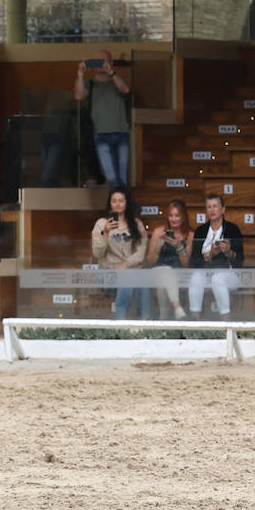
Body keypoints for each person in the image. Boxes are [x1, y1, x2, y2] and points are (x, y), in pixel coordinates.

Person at [91, 185, 149, 319]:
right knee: (129, 276)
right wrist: (105, 232)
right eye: (114, 201)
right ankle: (121, 318)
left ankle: (145, 319)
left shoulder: (137, 224)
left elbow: (141, 251)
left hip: (130, 269)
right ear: (110, 203)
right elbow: (97, 254)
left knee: (140, 279)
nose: (117, 204)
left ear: (127, 203)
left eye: (121, 200)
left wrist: (126, 264)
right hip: (107, 271)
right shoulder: (101, 223)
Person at [74, 50, 131, 186]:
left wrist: (111, 72)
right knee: (110, 175)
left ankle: (119, 197)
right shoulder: (90, 83)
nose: (100, 64)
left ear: (111, 62)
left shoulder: (117, 80)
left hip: (122, 132)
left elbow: (125, 89)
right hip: (100, 135)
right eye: (97, 61)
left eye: (103, 61)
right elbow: (79, 96)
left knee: (122, 176)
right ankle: (118, 197)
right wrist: (80, 74)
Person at [189, 193, 244, 320]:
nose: (212, 210)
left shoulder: (232, 229)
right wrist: (211, 254)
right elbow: (195, 260)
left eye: (215, 206)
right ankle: (194, 321)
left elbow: (240, 259)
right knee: (195, 278)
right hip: (206, 273)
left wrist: (228, 251)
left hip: (230, 274)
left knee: (218, 278)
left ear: (223, 209)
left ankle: (226, 323)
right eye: (209, 207)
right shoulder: (200, 231)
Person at [144, 199, 193, 319]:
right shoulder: (158, 232)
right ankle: (178, 308)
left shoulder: (190, 235)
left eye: (177, 215)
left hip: (179, 274)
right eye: (171, 215)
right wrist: (158, 247)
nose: (173, 219)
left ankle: (163, 319)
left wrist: (179, 247)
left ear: (183, 217)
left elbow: (186, 264)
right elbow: (149, 262)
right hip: (157, 271)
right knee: (166, 271)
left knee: (163, 287)